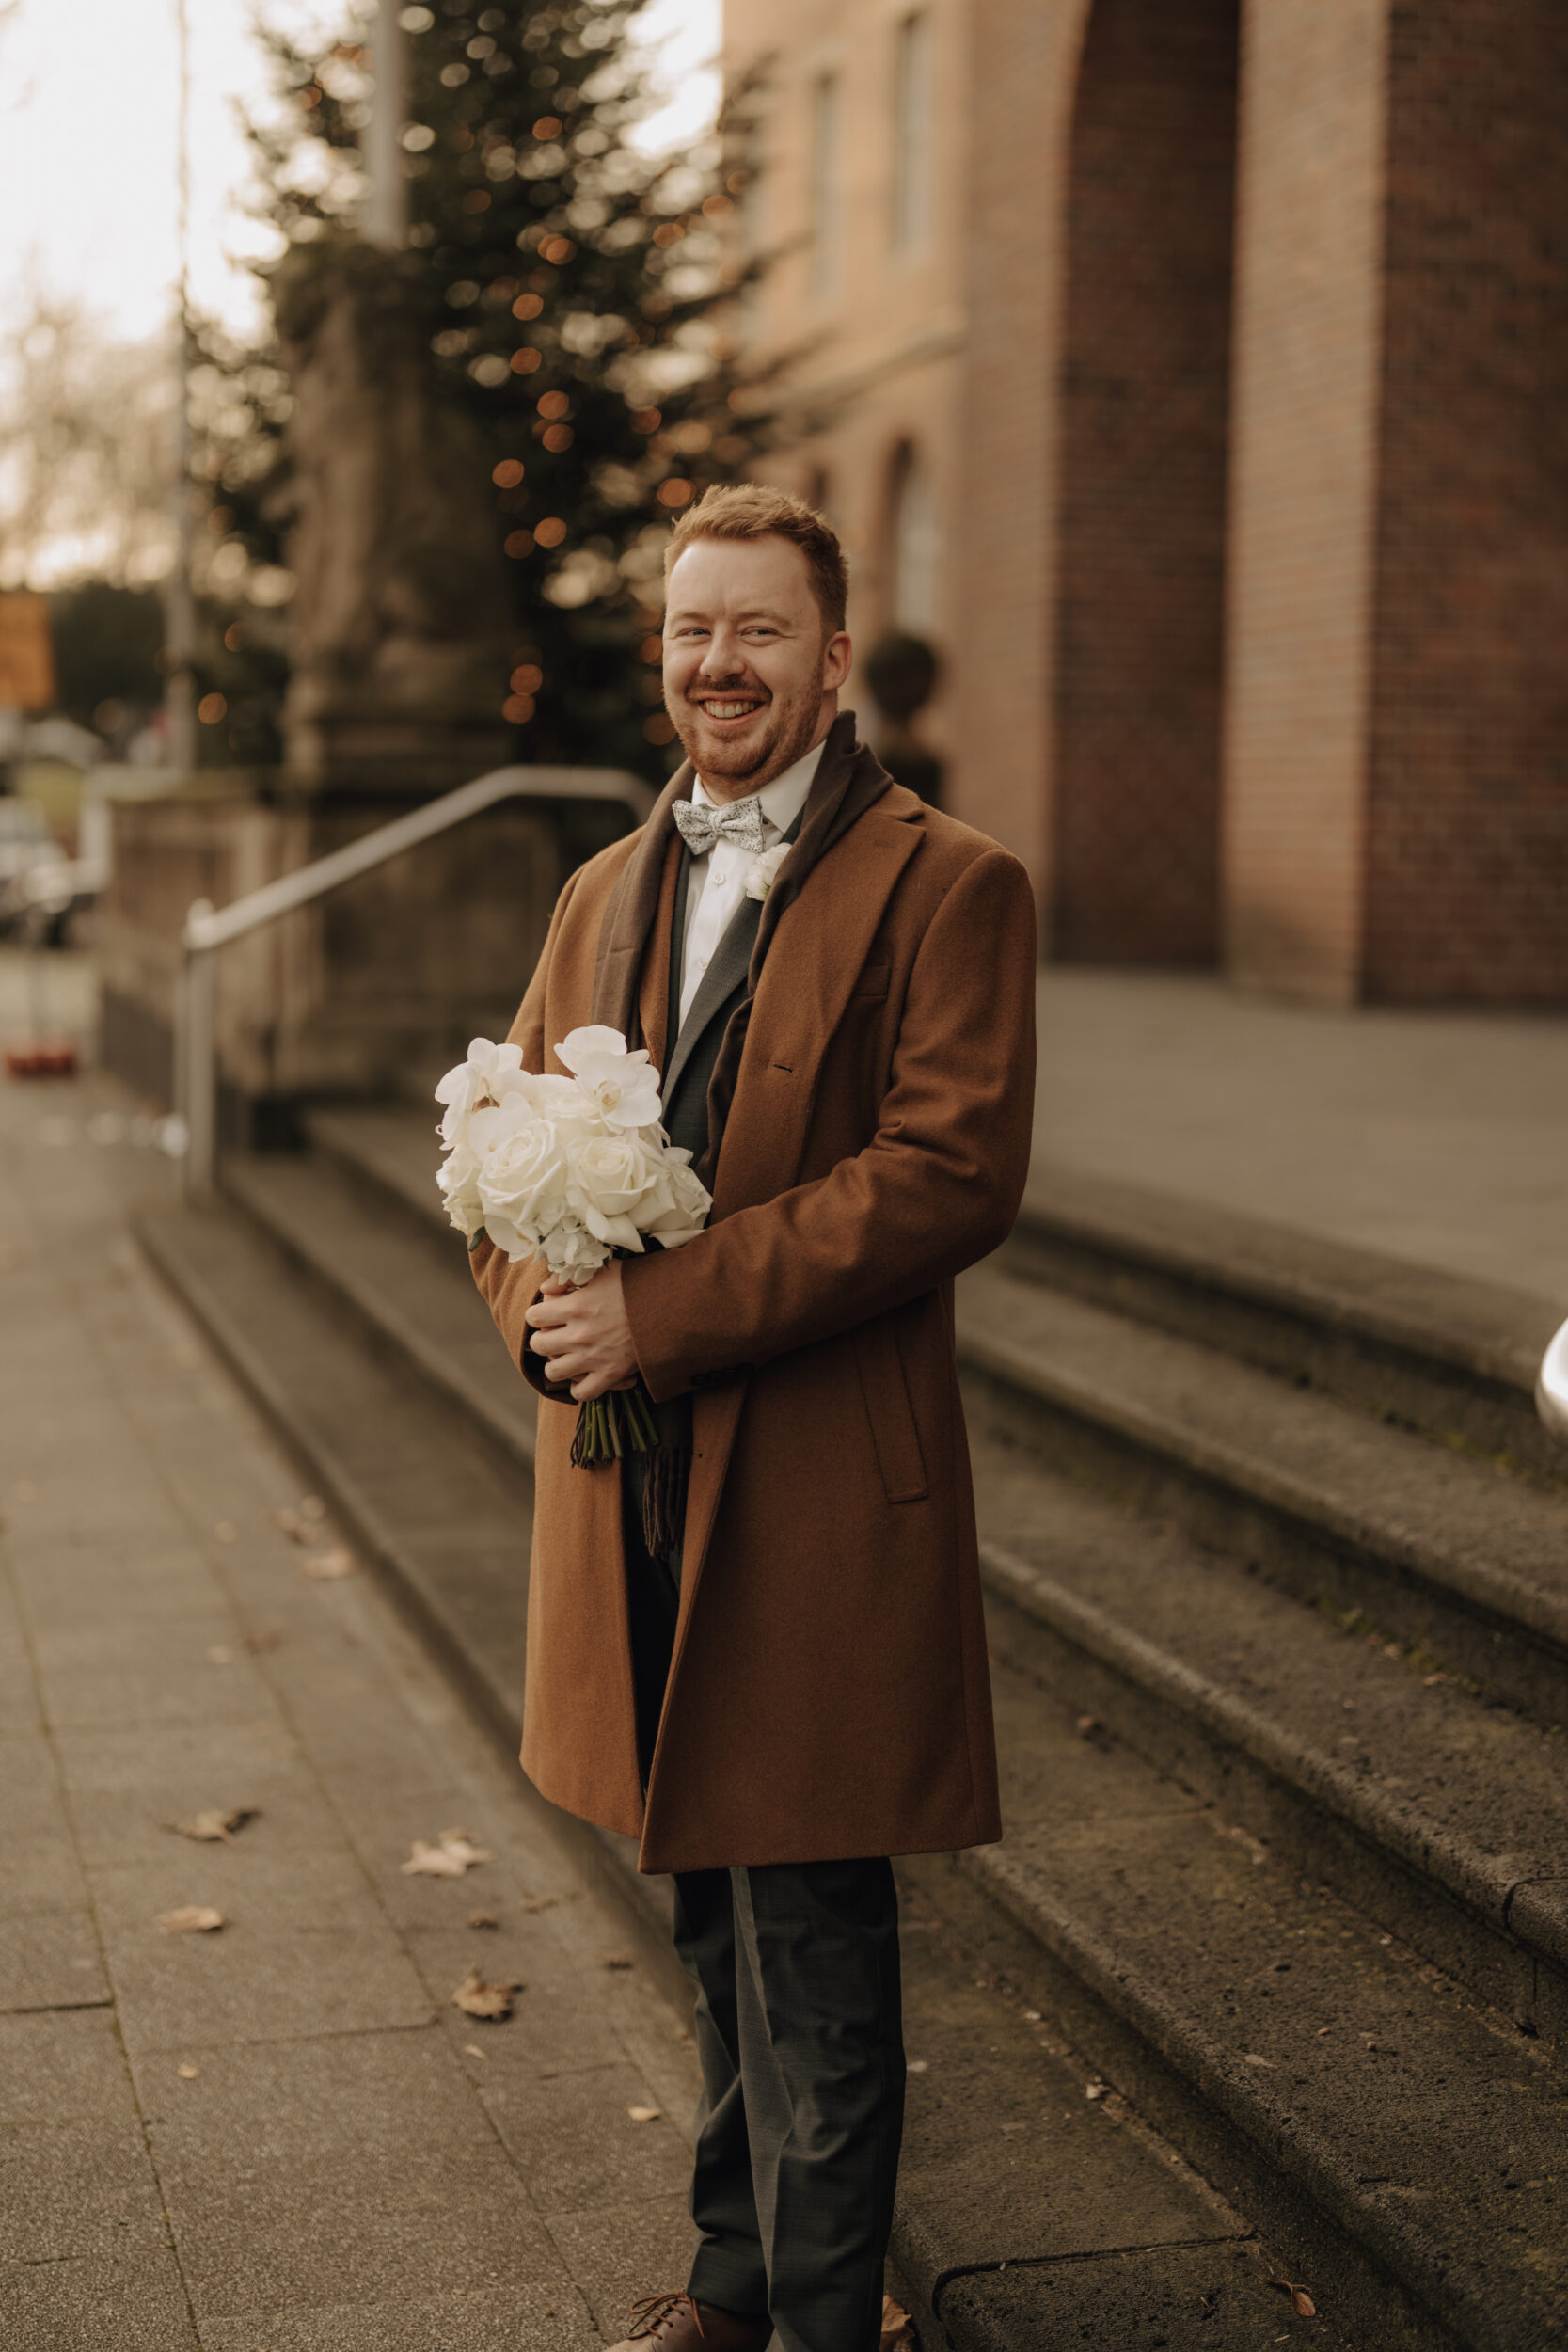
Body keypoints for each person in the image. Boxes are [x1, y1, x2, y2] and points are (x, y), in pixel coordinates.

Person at [473, 484, 1037, 2352]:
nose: (720, 663)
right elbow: (496, 1158)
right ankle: (728, 2276)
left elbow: (947, 1174)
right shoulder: (601, 885)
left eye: (759, 631)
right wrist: (554, 1327)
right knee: (698, 1891)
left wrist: (667, 1308)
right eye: (693, 630)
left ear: (834, 655)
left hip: (811, 1480)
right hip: (627, 1467)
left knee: (808, 1909)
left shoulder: (954, 884)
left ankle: (818, 2313)